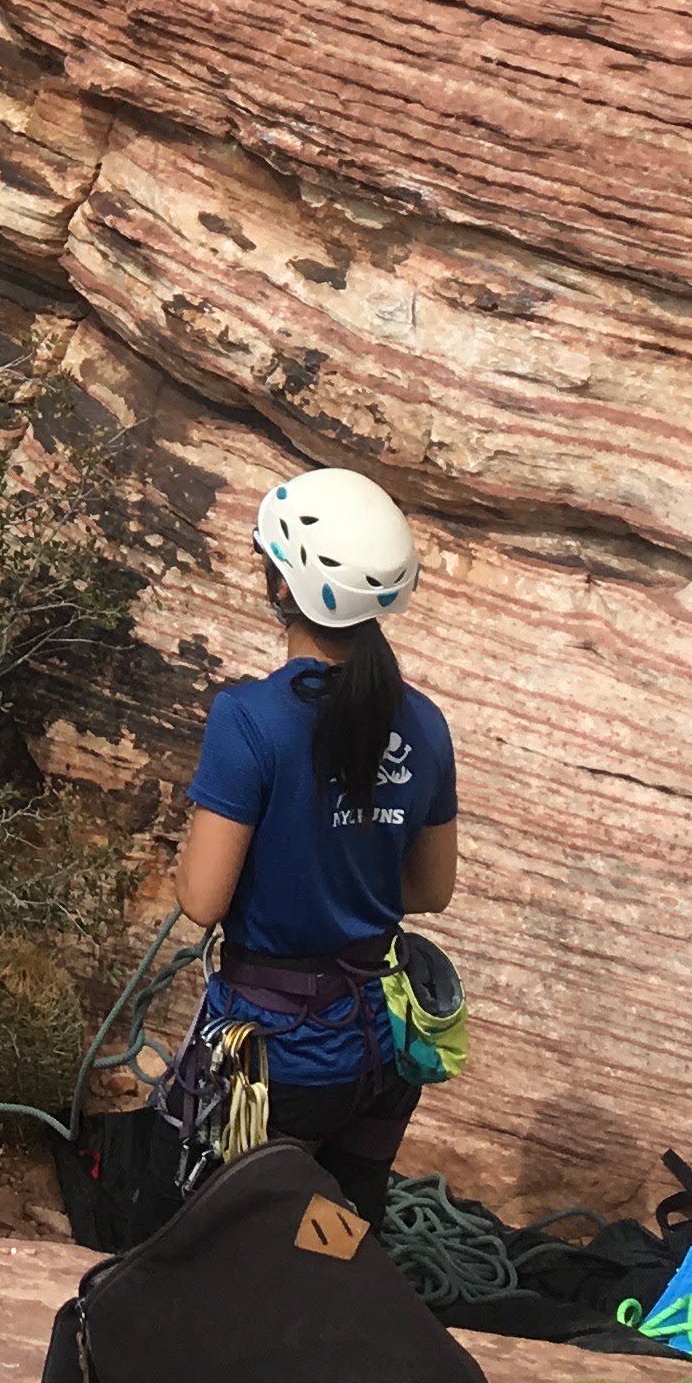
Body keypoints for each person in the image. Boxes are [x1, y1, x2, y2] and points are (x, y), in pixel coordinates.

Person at [170, 465, 460, 1220]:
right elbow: (431, 889)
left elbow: (202, 900)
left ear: (278, 586)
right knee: (338, 1234)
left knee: (232, 1243)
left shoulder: (249, 719)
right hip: (383, 1052)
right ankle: (341, 1329)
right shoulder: (423, 722)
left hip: (281, 1059)